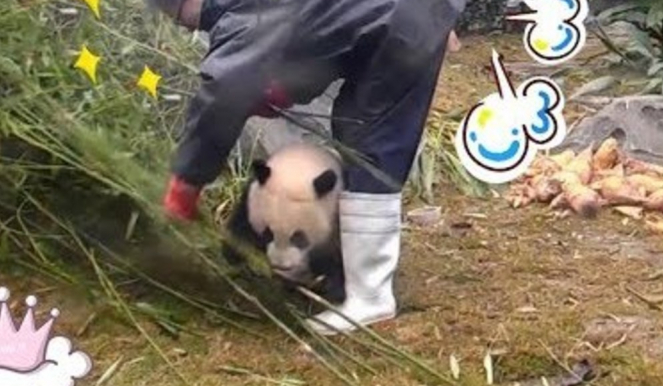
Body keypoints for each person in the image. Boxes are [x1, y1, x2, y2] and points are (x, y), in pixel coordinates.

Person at [152, 0, 466, 335]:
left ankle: (369, 296)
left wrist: (186, 181)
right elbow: (328, 28)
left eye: (179, 17)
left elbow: (222, 94)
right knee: (367, 136)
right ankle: (366, 286)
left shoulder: (239, 15)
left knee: (371, 143)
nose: (185, 27)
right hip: (414, 13)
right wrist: (287, 89)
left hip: (401, 20)